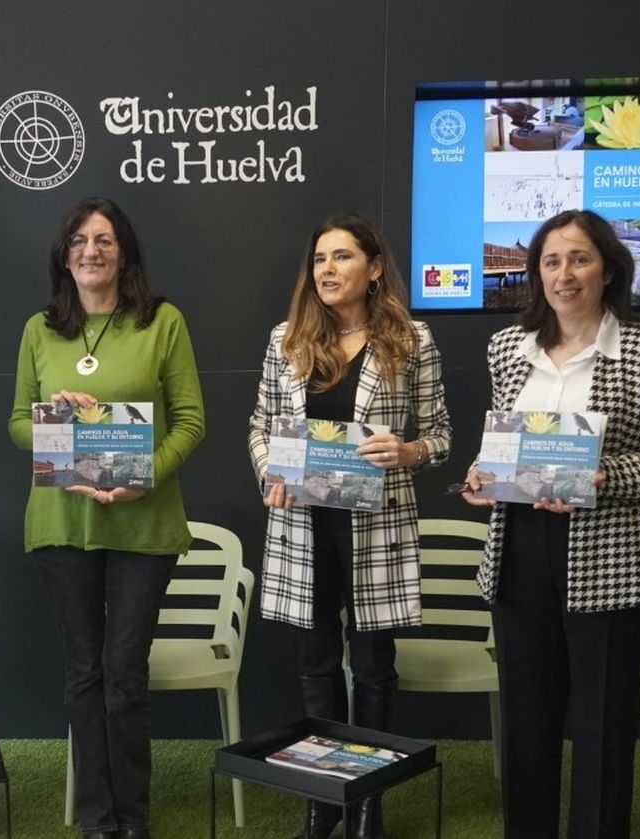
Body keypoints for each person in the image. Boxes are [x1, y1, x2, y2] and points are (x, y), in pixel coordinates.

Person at [459, 208, 640, 838]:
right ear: (537, 272)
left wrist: (603, 474)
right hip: (519, 551)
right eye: (552, 261)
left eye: (580, 259)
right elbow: (502, 442)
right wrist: (484, 474)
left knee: (603, 726)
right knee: (526, 720)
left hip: (610, 557)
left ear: (608, 269)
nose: (565, 274)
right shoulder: (508, 347)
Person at [247, 213, 452, 839]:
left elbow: (441, 434)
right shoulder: (286, 339)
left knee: (372, 667)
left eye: (342, 257)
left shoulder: (411, 340)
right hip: (303, 526)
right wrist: (269, 472)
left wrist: (410, 451)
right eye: (319, 259)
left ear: (375, 268)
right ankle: (324, 800)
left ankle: (367, 805)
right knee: (315, 665)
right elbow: (260, 425)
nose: (328, 270)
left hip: (376, 528)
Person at [9, 197, 205, 839]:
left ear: (124, 253)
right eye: (78, 240)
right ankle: (96, 819)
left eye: (104, 240)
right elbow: (17, 423)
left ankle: (133, 817)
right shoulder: (40, 329)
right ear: (63, 255)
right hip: (63, 524)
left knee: (125, 675)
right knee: (84, 673)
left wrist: (142, 476)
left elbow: (190, 422)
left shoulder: (162, 322)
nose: (90, 251)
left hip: (142, 526)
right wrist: (56, 421)